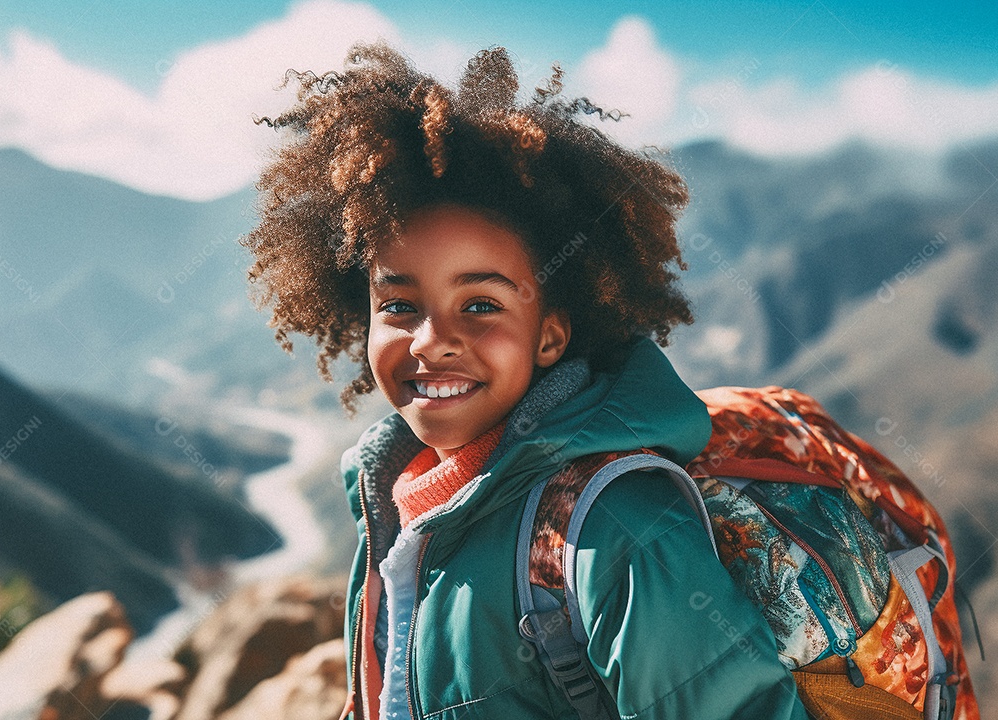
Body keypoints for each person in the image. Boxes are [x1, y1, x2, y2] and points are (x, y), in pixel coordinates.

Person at [243, 40, 808, 720]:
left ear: (550, 334)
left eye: (480, 305)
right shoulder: (395, 501)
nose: (431, 340)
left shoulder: (617, 532)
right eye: (398, 305)